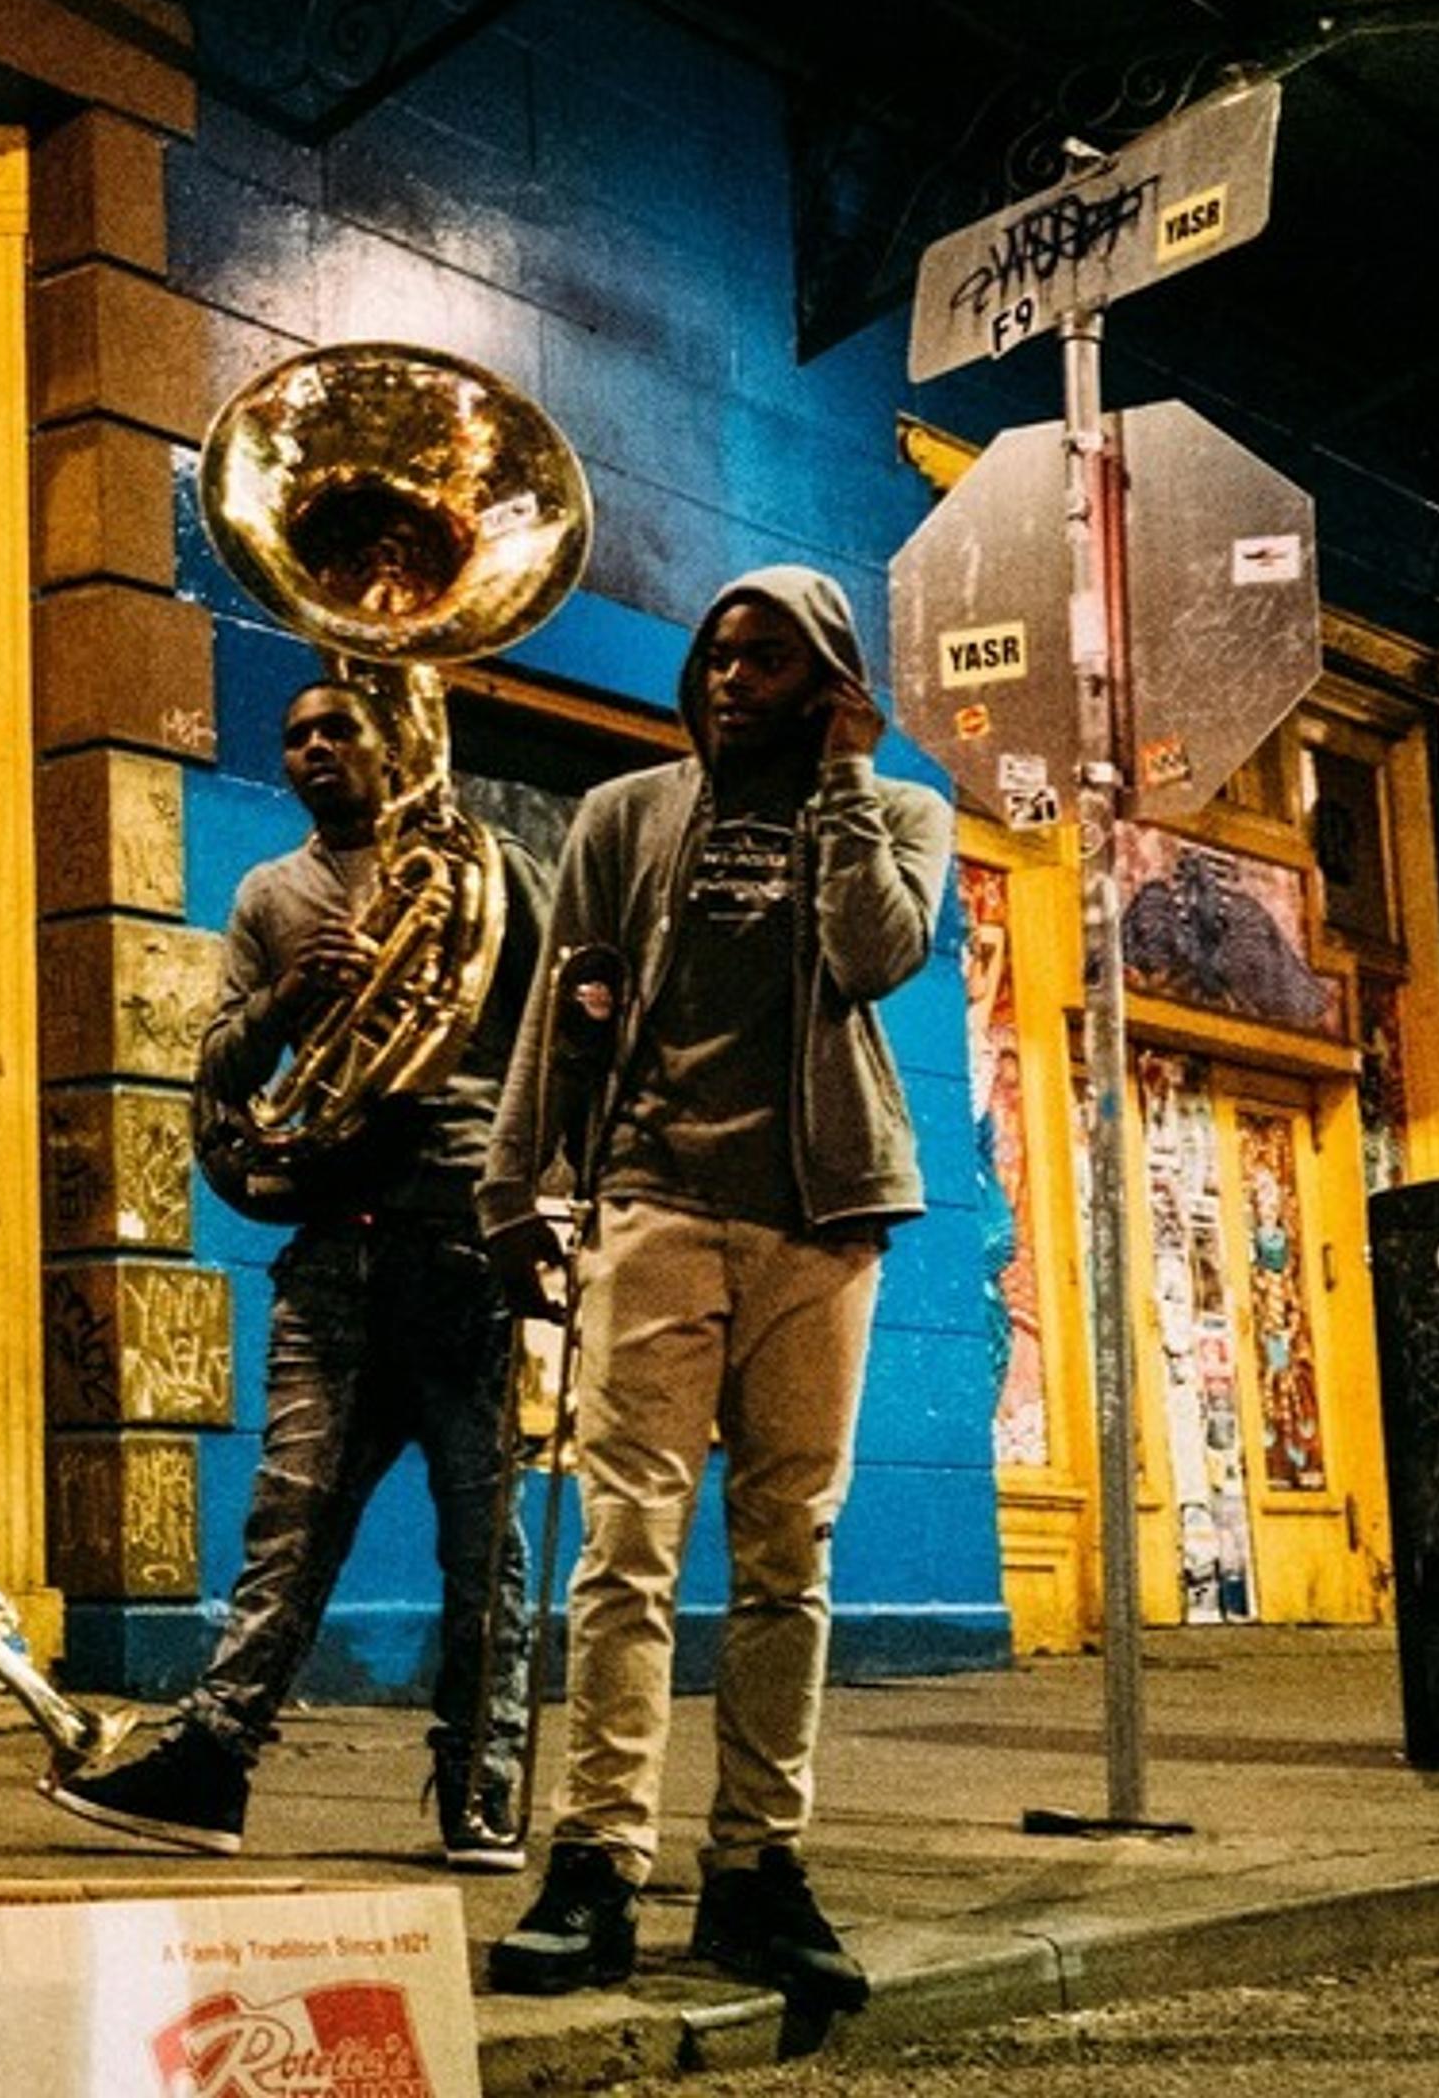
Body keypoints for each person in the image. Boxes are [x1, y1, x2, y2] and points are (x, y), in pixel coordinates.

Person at [478, 567, 949, 2011]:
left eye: (769, 661)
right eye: (720, 658)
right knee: (625, 1545)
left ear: (830, 682)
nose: (734, 681)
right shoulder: (626, 814)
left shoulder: (900, 811)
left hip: (823, 1218)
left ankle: (757, 1866)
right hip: (656, 1203)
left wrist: (847, 783)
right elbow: (566, 1002)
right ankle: (596, 1862)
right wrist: (513, 1184)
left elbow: (878, 955)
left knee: (787, 1555)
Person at [47, 676, 546, 1869]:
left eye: (338, 729)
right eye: (295, 735)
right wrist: (289, 996)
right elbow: (218, 1070)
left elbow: (563, 1045)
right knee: (288, 1526)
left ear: (392, 744)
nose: (314, 748)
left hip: (466, 1247)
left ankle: (482, 1784)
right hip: (334, 1253)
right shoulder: (271, 894)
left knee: (485, 1545)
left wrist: (552, 1209)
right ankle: (211, 1769)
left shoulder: (500, 872)